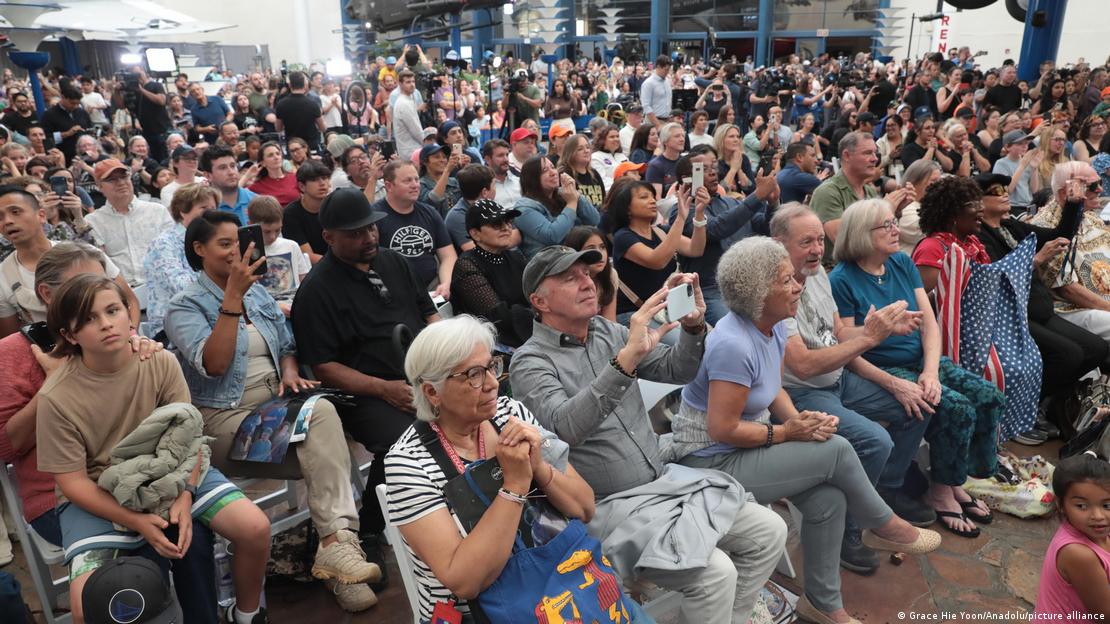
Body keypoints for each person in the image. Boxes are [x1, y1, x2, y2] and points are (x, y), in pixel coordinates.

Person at [510, 245, 789, 623]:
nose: (587, 283)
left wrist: (691, 327)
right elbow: (565, 428)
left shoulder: (606, 330)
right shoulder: (530, 361)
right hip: (608, 507)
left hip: (663, 484)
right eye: (569, 278)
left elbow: (679, 370)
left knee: (771, 529)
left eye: (587, 274)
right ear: (539, 300)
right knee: (716, 573)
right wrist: (625, 361)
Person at [672, 236, 941, 623]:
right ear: (758, 292)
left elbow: (774, 387)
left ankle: (823, 605)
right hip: (708, 461)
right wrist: (786, 433)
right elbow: (722, 428)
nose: (798, 285)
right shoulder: (732, 343)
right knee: (837, 449)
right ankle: (883, 524)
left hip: (745, 446)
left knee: (828, 498)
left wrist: (796, 419)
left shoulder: (776, 324)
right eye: (785, 280)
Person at [164, 210, 381, 612]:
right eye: (223, 244)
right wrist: (231, 299)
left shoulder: (258, 294)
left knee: (324, 412)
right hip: (226, 418)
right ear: (199, 249)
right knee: (324, 441)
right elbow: (213, 365)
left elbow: (286, 346)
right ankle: (341, 554)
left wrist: (291, 373)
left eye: (237, 242)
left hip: (276, 406)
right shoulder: (184, 306)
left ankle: (336, 548)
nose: (235, 251)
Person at [37, 273, 273, 624]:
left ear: (129, 314)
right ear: (69, 335)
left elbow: (189, 435)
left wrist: (185, 495)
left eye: (112, 310)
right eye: (88, 319)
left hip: (173, 469)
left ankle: (247, 613)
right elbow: (72, 482)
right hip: (98, 492)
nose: (106, 324)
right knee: (85, 606)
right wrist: (137, 521)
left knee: (254, 527)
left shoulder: (159, 361)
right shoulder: (56, 398)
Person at [385, 314, 602, 621]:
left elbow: (584, 507)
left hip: (558, 587)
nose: (491, 383)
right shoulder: (407, 463)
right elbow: (464, 582)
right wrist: (513, 487)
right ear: (432, 392)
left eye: (491, 366)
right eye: (473, 374)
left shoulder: (510, 413)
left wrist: (537, 465)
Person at [771, 205, 936, 572]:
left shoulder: (816, 275)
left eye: (819, 240)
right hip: (800, 394)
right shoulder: (774, 288)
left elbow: (839, 335)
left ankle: (881, 496)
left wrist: (880, 327)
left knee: (919, 403)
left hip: (838, 380)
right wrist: (870, 339)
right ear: (778, 243)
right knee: (875, 440)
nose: (817, 249)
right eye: (805, 242)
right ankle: (851, 531)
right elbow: (803, 364)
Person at [829, 198, 1006, 538]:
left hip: (920, 360)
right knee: (953, 406)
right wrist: (898, 383)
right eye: (887, 225)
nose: (896, 230)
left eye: (894, 222)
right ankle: (941, 490)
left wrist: (929, 370)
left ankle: (953, 480)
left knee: (989, 396)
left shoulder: (900, 263)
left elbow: (929, 325)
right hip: (879, 366)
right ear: (862, 234)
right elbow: (848, 350)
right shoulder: (842, 279)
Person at [290, 188, 442, 578]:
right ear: (329, 237)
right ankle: (372, 528)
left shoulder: (394, 261)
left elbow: (429, 314)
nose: (369, 238)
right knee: (405, 440)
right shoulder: (317, 290)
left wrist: (444, 361)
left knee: (471, 413)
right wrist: (382, 388)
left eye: (371, 229)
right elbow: (323, 366)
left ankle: (449, 507)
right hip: (361, 391)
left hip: (420, 372)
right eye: (355, 234)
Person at [975, 171, 1105, 429]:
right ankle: (1025, 407)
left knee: (1098, 350)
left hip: (1040, 309)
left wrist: (1073, 204)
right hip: (1012, 315)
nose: (1005, 195)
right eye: (996, 191)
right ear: (979, 202)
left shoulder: (1010, 226)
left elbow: (1061, 233)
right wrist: (1036, 260)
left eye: (1005, 189)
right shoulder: (979, 236)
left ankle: (1054, 401)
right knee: (1068, 355)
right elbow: (995, 279)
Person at [1031, 161, 1110, 344]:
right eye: (1091, 186)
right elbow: (1067, 289)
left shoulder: (1092, 218)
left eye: (1100, 183)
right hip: (1073, 308)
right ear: (1064, 191)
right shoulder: (1045, 226)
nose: (1099, 190)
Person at [1034, 453, 1110, 618]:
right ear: (1061, 505)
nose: (1098, 515)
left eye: (1107, 505)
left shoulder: (1095, 530)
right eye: (1082, 506)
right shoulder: (1079, 554)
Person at [449, 199, 531, 348]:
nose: (506, 228)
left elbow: (539, 294)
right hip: (487, 344)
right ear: (475, 234)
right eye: (496, 224)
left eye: (508, 222)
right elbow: (498, 318)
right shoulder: (466, 265)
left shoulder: (515, 257)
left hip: (524, 335)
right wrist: (538, 312)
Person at [143, 184, 218, 339]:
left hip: (211, 316)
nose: (212, 214)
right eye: (204, 208)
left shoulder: (212, 241)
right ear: (183, 211)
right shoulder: (163, 244)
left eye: (214, 208)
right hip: (171, 326)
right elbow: (182, 287)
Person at [86, 159, 174, 292]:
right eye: (111, 179)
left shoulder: (158, 211)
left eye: (124, 176)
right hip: (121, 293)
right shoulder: (93, 221)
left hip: (162, 288)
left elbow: (173, 252)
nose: (120, 182)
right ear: (99, 186)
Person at [371, 160, 456, 297]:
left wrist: (446, 283)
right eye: (407, 181)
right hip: (392, 293)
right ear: (388, 186)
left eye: (416, 179)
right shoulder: (375, 217)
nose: (415, 185)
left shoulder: (430, 213)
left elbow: (448, 255)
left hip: (432, 289)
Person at [810, 131, 881, 268]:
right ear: (847, 156)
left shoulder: (870, 192)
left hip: (867, 267)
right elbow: (844, 241)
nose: (874, 159)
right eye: (867, 153)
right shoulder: (828, 192)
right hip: (837, 272)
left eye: (874, 153)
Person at [514, 155, 600, 258]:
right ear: (532, 178)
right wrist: (572, 203)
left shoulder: (563, 195)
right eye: (545, 170)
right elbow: (553, 236)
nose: (553, 173)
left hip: (573, 258)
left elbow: (594, 220)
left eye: (553, 167)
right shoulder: (524, 209)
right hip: (547, 265)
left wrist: (575, 193)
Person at [246, 196, 311, 312]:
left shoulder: (292, 246)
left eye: (278, 230)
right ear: (250, 224)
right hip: (263, 309)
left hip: (294, 305)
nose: (272, 236)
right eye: (266, 231)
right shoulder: (247, 252)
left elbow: (304, 280)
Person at [563, 225, 617, 321]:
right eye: (590, 248)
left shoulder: (611, 274)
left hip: (601, 332)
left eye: (602, 247)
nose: (600, 254)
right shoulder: (566, 281)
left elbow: (610, 321)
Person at [200, 145, 257, 225]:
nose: (231, 172)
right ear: (208, 175)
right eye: (223, 168)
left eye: (233, 166)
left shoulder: (256, 201)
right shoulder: (202, 209)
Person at [896, 159, 943, 255]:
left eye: (940, 181)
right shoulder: (904, 208)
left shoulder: (930, 206)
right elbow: (926, 233)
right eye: (933, 181)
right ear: (914, 181)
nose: (939, 186)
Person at [992, 130, 1043, 213]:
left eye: (1026, 143)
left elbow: (1034, 190)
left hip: (1029, 205)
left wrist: (1034, 168)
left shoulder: (1026, 161)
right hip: (1012, 206)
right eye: (1019, 144)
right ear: (1007, 147)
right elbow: (1007, 191)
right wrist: (1021, 167)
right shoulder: (1001, 163)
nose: (1025, 146)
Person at [40, 84, 91, 165]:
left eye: (77, 104)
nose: (75, 106)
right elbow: (46, 139)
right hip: (64, 158)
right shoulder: (49, 115)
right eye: (72, 103)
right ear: (63, 97)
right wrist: (66, 134)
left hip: (86, 157)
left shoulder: (81, 112)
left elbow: (89, 128)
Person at [130, 67, 173, 163]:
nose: (137, 76)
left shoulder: (156, 85)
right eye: (134, 74)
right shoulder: (134, 91)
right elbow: (122, 105)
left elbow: (161, 101)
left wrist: (142, 90)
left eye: (138, 73)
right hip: (146, 133)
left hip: (161, 130)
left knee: (164, 160)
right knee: (151, 161)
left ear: (144, 72)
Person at [274, 72, 325, 151]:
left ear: (290, 85)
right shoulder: (313, 104)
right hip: (310, 146)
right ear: (305, 85)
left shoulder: (281, 104)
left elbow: (278, 128)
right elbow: (323, 128)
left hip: (293, 147)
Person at [558, 134, 606, 209]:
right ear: (570, 153)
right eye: (580, 149)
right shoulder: (564, 174)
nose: (586, 151)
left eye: (587, 147)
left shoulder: (594, 174)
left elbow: (604, 200)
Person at [417, 144, 463, 217]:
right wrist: (447, 171)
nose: (442, 160)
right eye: (437, 157)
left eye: (444, 157)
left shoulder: (453, 182)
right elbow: (433, 201)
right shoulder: (420, 184)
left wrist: (467, 168)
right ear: (425, 162)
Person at [644, 122, 686, 198]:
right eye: (677, 136)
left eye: (683, 136)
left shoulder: (686, 163)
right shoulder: (655, 166)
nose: (682, 139)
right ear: (665, 141)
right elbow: (657, 199)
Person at [392, 70, 424, 164]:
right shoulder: (404, 103)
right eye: (408, 82)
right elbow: (416, 131)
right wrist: (428, 145)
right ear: (400, 84)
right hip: (411, 152)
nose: (412, 85)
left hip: (412, 150)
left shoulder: (407, 100)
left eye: (413, 81)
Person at [481, 138, 521, 209]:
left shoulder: (519, 181)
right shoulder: (484, 189)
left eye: (507, 155)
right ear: (488, 159)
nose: (506, 159)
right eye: (500, 155)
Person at [590, 124, 628, 193]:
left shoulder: (622, 156)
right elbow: (602, 181)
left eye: (617, 136)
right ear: (603, 140)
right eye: (612, 137)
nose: (616, 139)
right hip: (612, 194)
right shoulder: (595, 157)